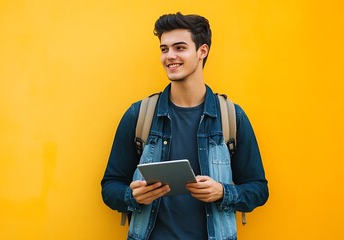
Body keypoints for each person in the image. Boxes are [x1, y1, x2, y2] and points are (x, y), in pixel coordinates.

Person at [101, 12, 268, 240]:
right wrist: (132, 196)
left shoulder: (231, 117)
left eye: (179, 48)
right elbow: (110, 186)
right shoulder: (139, 115)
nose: (169, 56)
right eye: (164, 49)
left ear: (203, 51)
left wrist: (223, 192)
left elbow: (258, 189)